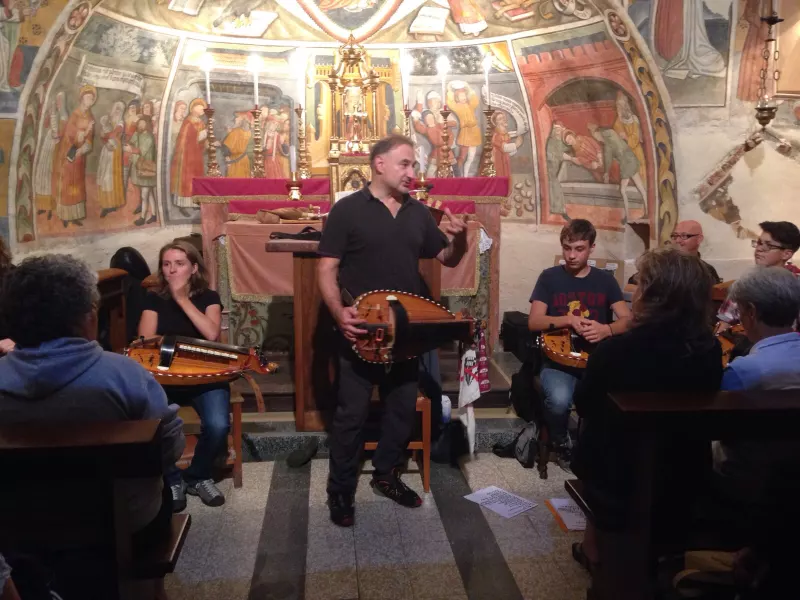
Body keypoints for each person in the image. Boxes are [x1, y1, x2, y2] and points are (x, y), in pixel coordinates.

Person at [317, 134, 468, 527]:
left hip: (407, 332)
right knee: (351, 413)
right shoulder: (347, 210)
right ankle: (341, 490)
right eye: (405, 164)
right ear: (379, 164)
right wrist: (339, 314)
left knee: (401, 408)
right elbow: (326, 268)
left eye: (414, 165)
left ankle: (386, 474)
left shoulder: (418, 213)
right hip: (361, 329)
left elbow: (448, 258)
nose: (412, 173)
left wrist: (460, 238)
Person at [0, 254, 184, 550]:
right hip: (124, 521)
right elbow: (169, 448)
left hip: (17, 527)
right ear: (89, 317)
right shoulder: (126, 375)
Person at [569, 248, 722, 571]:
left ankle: (595, 552)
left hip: (618, 469)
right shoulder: (708, 349)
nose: (634, 291)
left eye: (639, 285)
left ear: (653, 296)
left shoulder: (615, 350)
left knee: (596, 436)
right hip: (684, 465)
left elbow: (584, 404)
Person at [527, 219, 632, 469]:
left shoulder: (605, 281)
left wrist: (606, 329)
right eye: (567, 248)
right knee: (559, 400)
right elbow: (534, 322)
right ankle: (562, 443)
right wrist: (568, 320)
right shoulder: (549, 277)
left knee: (615, 400)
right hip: (559, 360)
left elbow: (628, 321)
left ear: (591, 248)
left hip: (596, 359)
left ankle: (599, 448)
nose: (571, 255)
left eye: (579, 249)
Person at [139, 241, 229, 510]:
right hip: (165, 375)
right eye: (167, 264)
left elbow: (211, 334)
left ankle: (197, 475)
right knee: (153, 425)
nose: (172, 270)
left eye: (179, 264)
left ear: (193, 268)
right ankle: (172, 478)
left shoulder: (208, 297)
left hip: (204, 376)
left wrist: (182, 300)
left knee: (217, 425)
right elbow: (145, 340)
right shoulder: (153, 298)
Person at [716, 220, 800, 328]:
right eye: (759, 243)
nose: (759, 249)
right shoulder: (745, 283)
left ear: (786, 254)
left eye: (768, 246)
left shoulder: (796, 285)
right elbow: (724, 323)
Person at [629, 219, 722, 285]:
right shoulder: (662, 264)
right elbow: (632, 282)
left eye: (684, 236)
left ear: (699, 239)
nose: (678, 240)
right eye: (675, 236)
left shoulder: (707, 271)